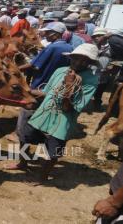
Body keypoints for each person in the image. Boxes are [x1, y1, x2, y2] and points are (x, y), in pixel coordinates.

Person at [6, 44, 99, 184]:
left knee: (52, 152)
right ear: (71, 57)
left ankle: (41, 177)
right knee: (24, 138)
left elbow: (68, 108)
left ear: (90, 63)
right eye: (76, 58)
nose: (78, 62)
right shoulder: (61, 70)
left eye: (84, 60)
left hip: (62, 121)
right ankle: (22, 163)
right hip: (43, 114)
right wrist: (28, 92)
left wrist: (69, 86)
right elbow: (47, 93)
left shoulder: (91, 80)